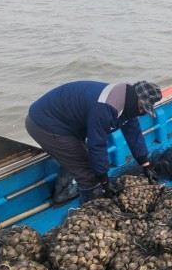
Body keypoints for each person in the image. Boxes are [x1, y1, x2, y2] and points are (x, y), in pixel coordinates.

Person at [25, 80, 162, 204]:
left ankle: (63, 193)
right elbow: (97, 145)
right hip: (45, 124)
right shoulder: (106, 107)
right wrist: (104, 183)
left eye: (146, 109)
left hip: (66, 120)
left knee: (77, 154)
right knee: (88, 172)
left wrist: (146, 165)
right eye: (142, 107)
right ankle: (91, 208)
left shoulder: (129, 102)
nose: (142, 111)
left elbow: (134, 133)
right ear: (136, 97)